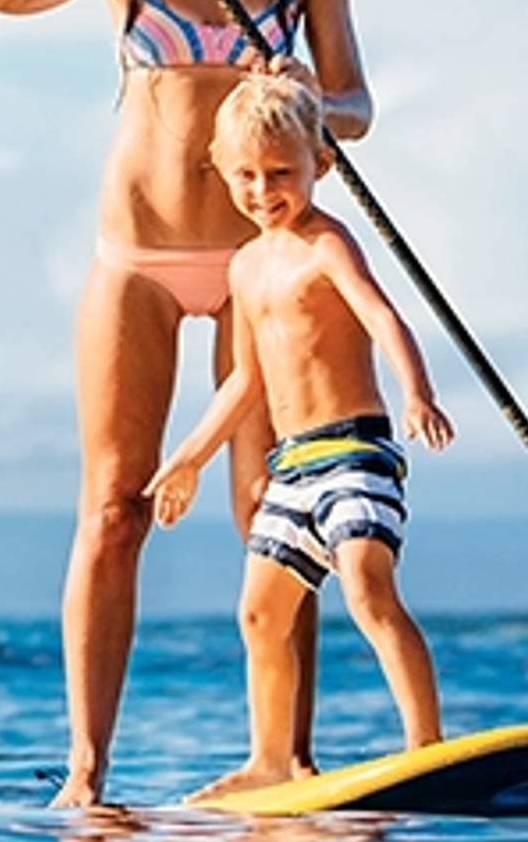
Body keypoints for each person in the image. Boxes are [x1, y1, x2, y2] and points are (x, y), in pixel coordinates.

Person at [0, 0, 372, 807]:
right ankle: (87, 774)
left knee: (275, 509)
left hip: (265, 262)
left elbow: (358, 107)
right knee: (114, 507)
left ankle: (283, 760)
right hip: (140, 258)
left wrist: (309, 100)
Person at [146, 73, 452, 796]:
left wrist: (417, 391)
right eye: (246, 175)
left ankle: (426, 746)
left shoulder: (327, 245)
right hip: (292, 469)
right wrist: (187, 458)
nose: (263, 190)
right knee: (259, 613)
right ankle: (269, 759)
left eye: (281, 172)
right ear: (221, 169)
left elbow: (383, 317)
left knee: (368, 587)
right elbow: (244, 382)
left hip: (354, 450)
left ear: (322, 161)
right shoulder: (246, 266)